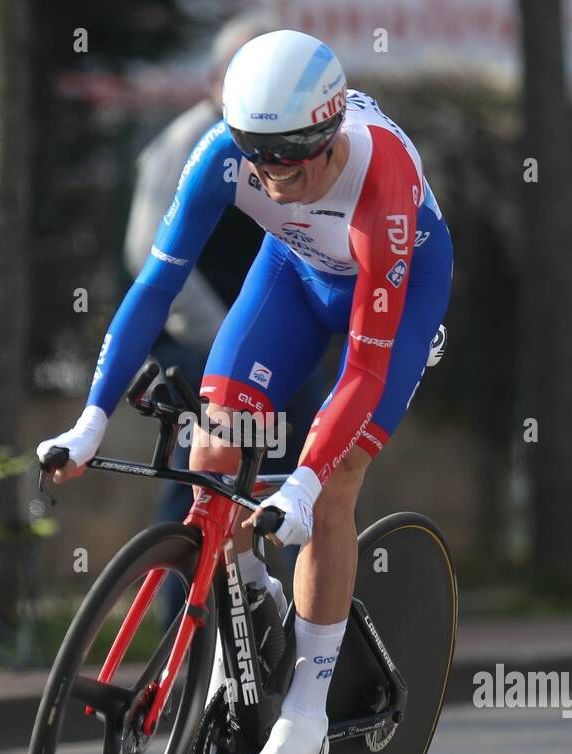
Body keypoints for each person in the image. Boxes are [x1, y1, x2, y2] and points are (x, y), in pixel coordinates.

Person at [39, 30, 453, 754]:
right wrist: (91, 420)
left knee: (332, 487)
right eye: (255, 161)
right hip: (294, 271)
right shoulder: (221, 155)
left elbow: (361, 369)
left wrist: (300, 483)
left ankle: (305, 712)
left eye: (288, 165)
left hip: (394, 289)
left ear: (328, 140)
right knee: (213, 445)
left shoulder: (381, 179)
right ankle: (249, 596)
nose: (270, 179)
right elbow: (154, 288)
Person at [124, 13, 328, 622]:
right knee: (203, 486)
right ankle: (181, 631)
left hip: (285, 344)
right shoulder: (187, 144)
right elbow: (149, 256)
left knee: (297, 484)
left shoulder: (292, 143)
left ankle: (287, 630)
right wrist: (229, 338)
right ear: (218, 79)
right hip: (208, 345)